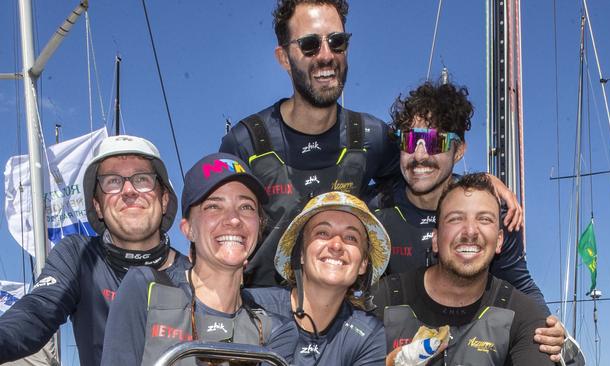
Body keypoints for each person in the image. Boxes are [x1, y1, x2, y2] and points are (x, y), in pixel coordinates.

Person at [374, 80, 565, 360]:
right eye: (411, 140)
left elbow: (521, 284)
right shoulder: (375, 212)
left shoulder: (494, 216)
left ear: (460, 150)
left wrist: (547, 326)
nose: (420, 155)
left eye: (435, 142)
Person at [219, 0, 399, 286]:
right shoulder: (246, 142)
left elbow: (425, 187)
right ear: (283, 58)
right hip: (266, 318)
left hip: (348, 316)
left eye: (337, 42)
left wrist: (486, 185)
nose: (326, 56)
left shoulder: (373, 136)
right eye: (309, 45)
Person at [0, 135, 190, 365]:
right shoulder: (78, 255)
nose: (129, 190)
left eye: (142, 179)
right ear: (98, 206)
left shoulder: (195, 274)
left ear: (164, 200)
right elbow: (37, 310)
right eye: (112, 182)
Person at [100, 153, 297, 366]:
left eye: (246, 207)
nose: (233, 219)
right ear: (188, 229)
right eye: (214, 206)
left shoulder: (276, 330)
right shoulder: (146, 288)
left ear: (259, 227)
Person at [373, 173, 556, 365]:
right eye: (455, 219)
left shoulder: (523, 317)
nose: (470, 231)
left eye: (484, 219)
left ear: (500, 241)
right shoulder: (381, 301)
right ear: (435, 240)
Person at [245, 191, 390, 365]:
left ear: (363, 264)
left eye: (351, 237)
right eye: (322, 233)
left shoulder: (369, 334)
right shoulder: (251, 305)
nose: (336, 245)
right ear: (300, 253)